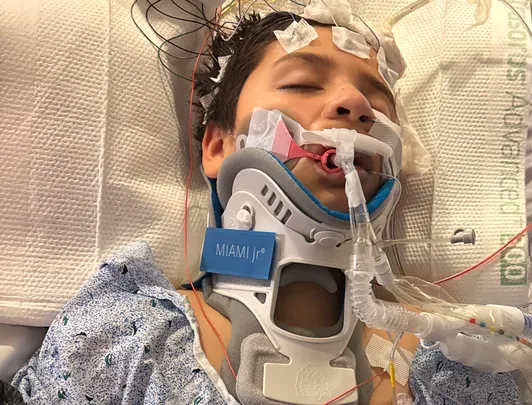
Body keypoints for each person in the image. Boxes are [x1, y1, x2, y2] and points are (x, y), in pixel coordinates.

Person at [10, 11, 416, 405]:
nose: (356, 104)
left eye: (378, 107)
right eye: (303, 84)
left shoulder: (432, 352)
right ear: (219, 146)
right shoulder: (121, 336)